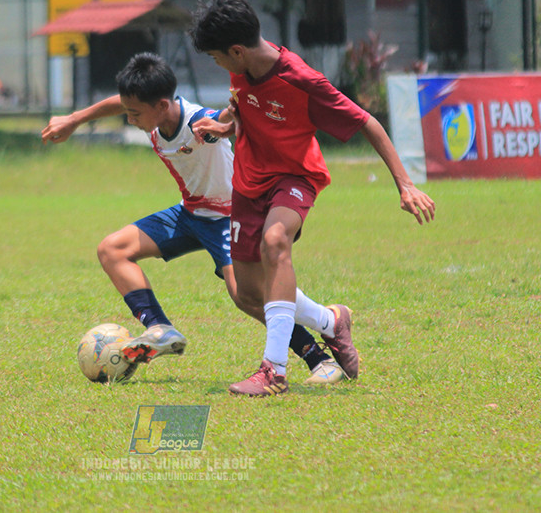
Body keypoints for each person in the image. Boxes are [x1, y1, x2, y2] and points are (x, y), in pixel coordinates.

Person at [42, 52, 347, 383]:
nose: (129, 119)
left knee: (247, 297)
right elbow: (119, 102)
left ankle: (319, 357)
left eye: (134, 113)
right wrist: (74, 119)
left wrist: (225, 121)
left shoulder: (198, 121)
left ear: (161, 105)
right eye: (128, 111)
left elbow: (226, 118)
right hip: (189, 214)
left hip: (230, 217)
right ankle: (159, 328)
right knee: (111, 250)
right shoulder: (152, 115)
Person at [189, 0, 436, 397]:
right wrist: (224, 126)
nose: (218, 65)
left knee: (275, 241)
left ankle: (273, 371)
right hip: (247, 183)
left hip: (295, 176)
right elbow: (247, 109)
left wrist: (404, 184)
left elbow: (368, 122)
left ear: (236, 51)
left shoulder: (301, 81)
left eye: (217, 57)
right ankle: (330, 321)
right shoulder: (241, 70)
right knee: (248, 293)